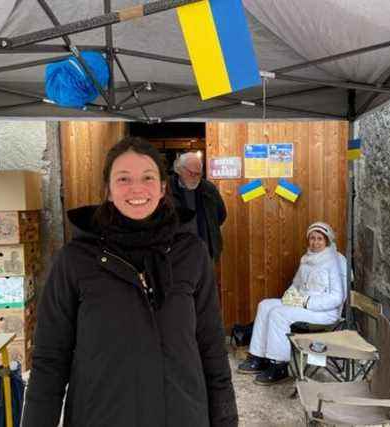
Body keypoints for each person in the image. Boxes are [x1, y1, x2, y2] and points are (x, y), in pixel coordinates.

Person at [23, 137, 238, 426]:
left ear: (163, 187)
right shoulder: (76, 259)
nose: (137, 188)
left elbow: (211, 347)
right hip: (100, 416)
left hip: (181, 415)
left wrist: (225, 419)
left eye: (147, 177)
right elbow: (50, 358)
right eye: (123, 178)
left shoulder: (191, 253)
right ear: (109, 191)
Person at [237, 222, 346, 385]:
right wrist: (291, 294)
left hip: (323, 313)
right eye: (312, 238)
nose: (315, 243)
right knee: (265, 305)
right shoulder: (307, 259)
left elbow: (338, 297)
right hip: (302, 305)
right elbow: (296, 284)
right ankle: (258, 357)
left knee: (279, 314)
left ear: (327, 241)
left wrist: (307, 302)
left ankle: (279, 365)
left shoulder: (337, 261)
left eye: (320, 239)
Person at [170, 152, 227, 261]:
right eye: (191, 173)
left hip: (205, 253)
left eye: (198, 174)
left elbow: (221, 215)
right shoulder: (166, 190)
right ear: (179, 170)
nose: (195, 177)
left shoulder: (209, 189)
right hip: (176, 255)